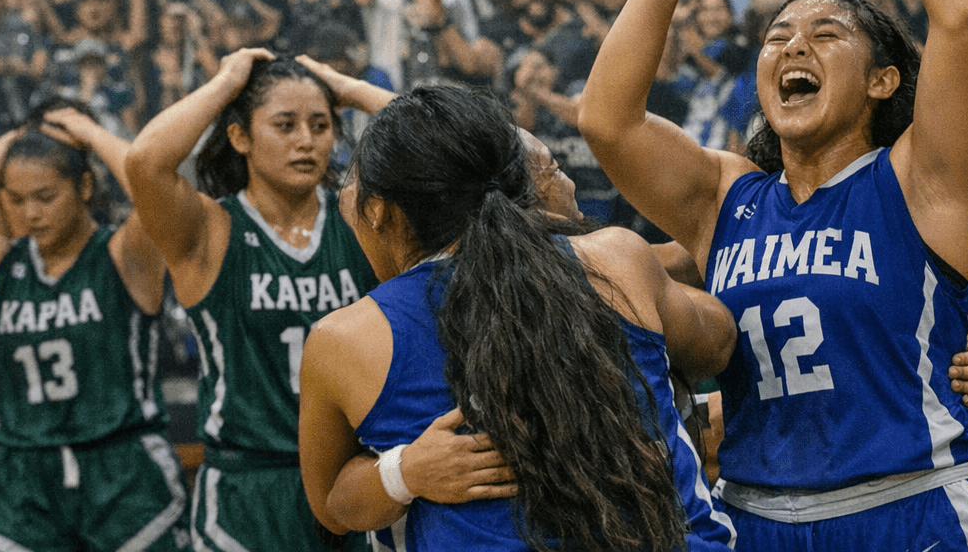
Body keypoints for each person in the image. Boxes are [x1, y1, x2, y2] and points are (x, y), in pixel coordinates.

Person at [579, 0, 968, 549]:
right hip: (760, 516)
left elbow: (962, 15)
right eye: (778, 36)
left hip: (915, 502)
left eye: (826, 35)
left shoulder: (920, 177)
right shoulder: (729, 196)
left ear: (884, 80)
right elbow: (606, 122)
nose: (793, 47)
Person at [297, 82, 738, 552]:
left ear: (378, 213)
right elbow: (718, 340)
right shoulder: (619, 259)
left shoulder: (344, 338)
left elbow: (331, 506)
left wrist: (400, 474)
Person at [0, 105, 188, 552]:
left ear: (84, 186)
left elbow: (155, 186)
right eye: (16, 198)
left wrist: (90, 133)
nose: (31, 213)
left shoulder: (126, 254)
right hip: (23, 471)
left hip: (122, 467)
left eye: (45, 197)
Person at [124, 52, 380, 552]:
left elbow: (455, 160)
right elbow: (145, 161)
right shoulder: (209, 229)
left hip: (352, 481)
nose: (306, 141)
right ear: (240, 137)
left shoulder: (357, 218)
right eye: (285, 125)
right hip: (247, 488)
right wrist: (226, 82)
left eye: (321, 124)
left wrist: (345, 87)